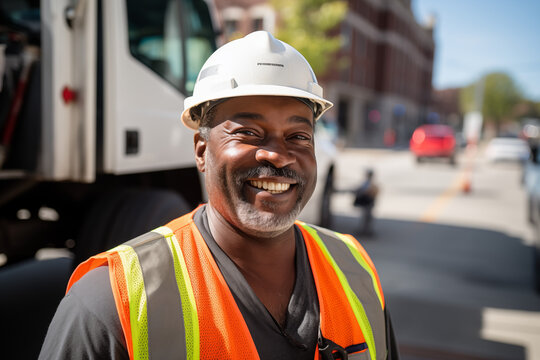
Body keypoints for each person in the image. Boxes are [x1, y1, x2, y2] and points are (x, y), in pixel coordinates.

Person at [40, 31, 399, 360]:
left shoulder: (356, 272)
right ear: (201, 150)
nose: (278, 154)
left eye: (298, 137)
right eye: (247, 132)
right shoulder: (111, 303)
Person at [353, 169, 379, 236]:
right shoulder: (368, 183)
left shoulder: (370, 184)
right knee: (366, 218)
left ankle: (366, 231)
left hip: (368, 203)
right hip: (367, 203)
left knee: (367, 218)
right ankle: (364, 231)